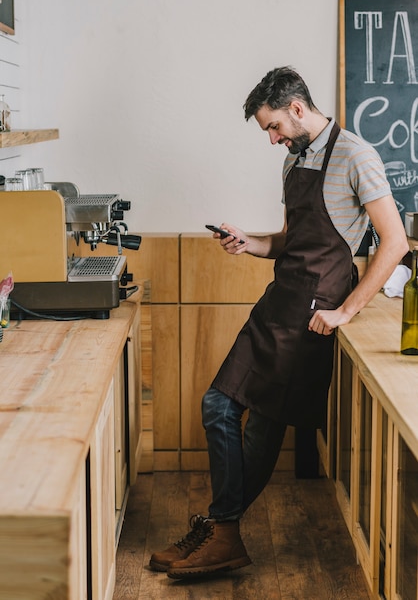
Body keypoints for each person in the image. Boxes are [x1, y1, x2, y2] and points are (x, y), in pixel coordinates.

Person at [149, 66, 409, 579]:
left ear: (296, 108)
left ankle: (219, 531)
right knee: (219, 406)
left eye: (273, 127)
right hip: (278, 302)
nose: (271, 139)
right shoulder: (295, 161)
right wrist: (251, 243)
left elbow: (395, 242)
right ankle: (221, 529)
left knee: (261, 429)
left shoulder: (356, 155)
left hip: (312, 315)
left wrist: (345, 311)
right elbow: (292, 242)